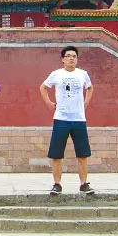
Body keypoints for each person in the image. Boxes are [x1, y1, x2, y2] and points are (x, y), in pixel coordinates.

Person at [40, 46, 94, 195]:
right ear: (63, 59)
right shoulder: (56, 74)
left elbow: (90, 88)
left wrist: (87, 101)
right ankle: (57, 184)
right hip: (61, 118)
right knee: (57, 154)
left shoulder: (83, 74)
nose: (72, 58)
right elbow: (43, 87)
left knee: (82, 154)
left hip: (79, 119)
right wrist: (48, 102)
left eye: (74, 56)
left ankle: (84, 184)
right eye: (69, 56)